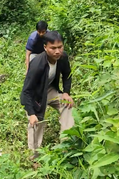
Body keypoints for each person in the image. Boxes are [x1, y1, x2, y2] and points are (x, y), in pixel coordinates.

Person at [20, 31, 75, 160]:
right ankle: (33, 157)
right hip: (35, 94)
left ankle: (67, 146)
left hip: (50, 89)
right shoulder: (37, 64)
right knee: (36, 121)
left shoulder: (62, 57)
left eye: (60, 47)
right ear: (45, 47)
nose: (57, 51)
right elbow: (26, 91)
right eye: (53, 48)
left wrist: (66, 92)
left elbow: (67, 75)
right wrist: (31, 113)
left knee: (68, 105)